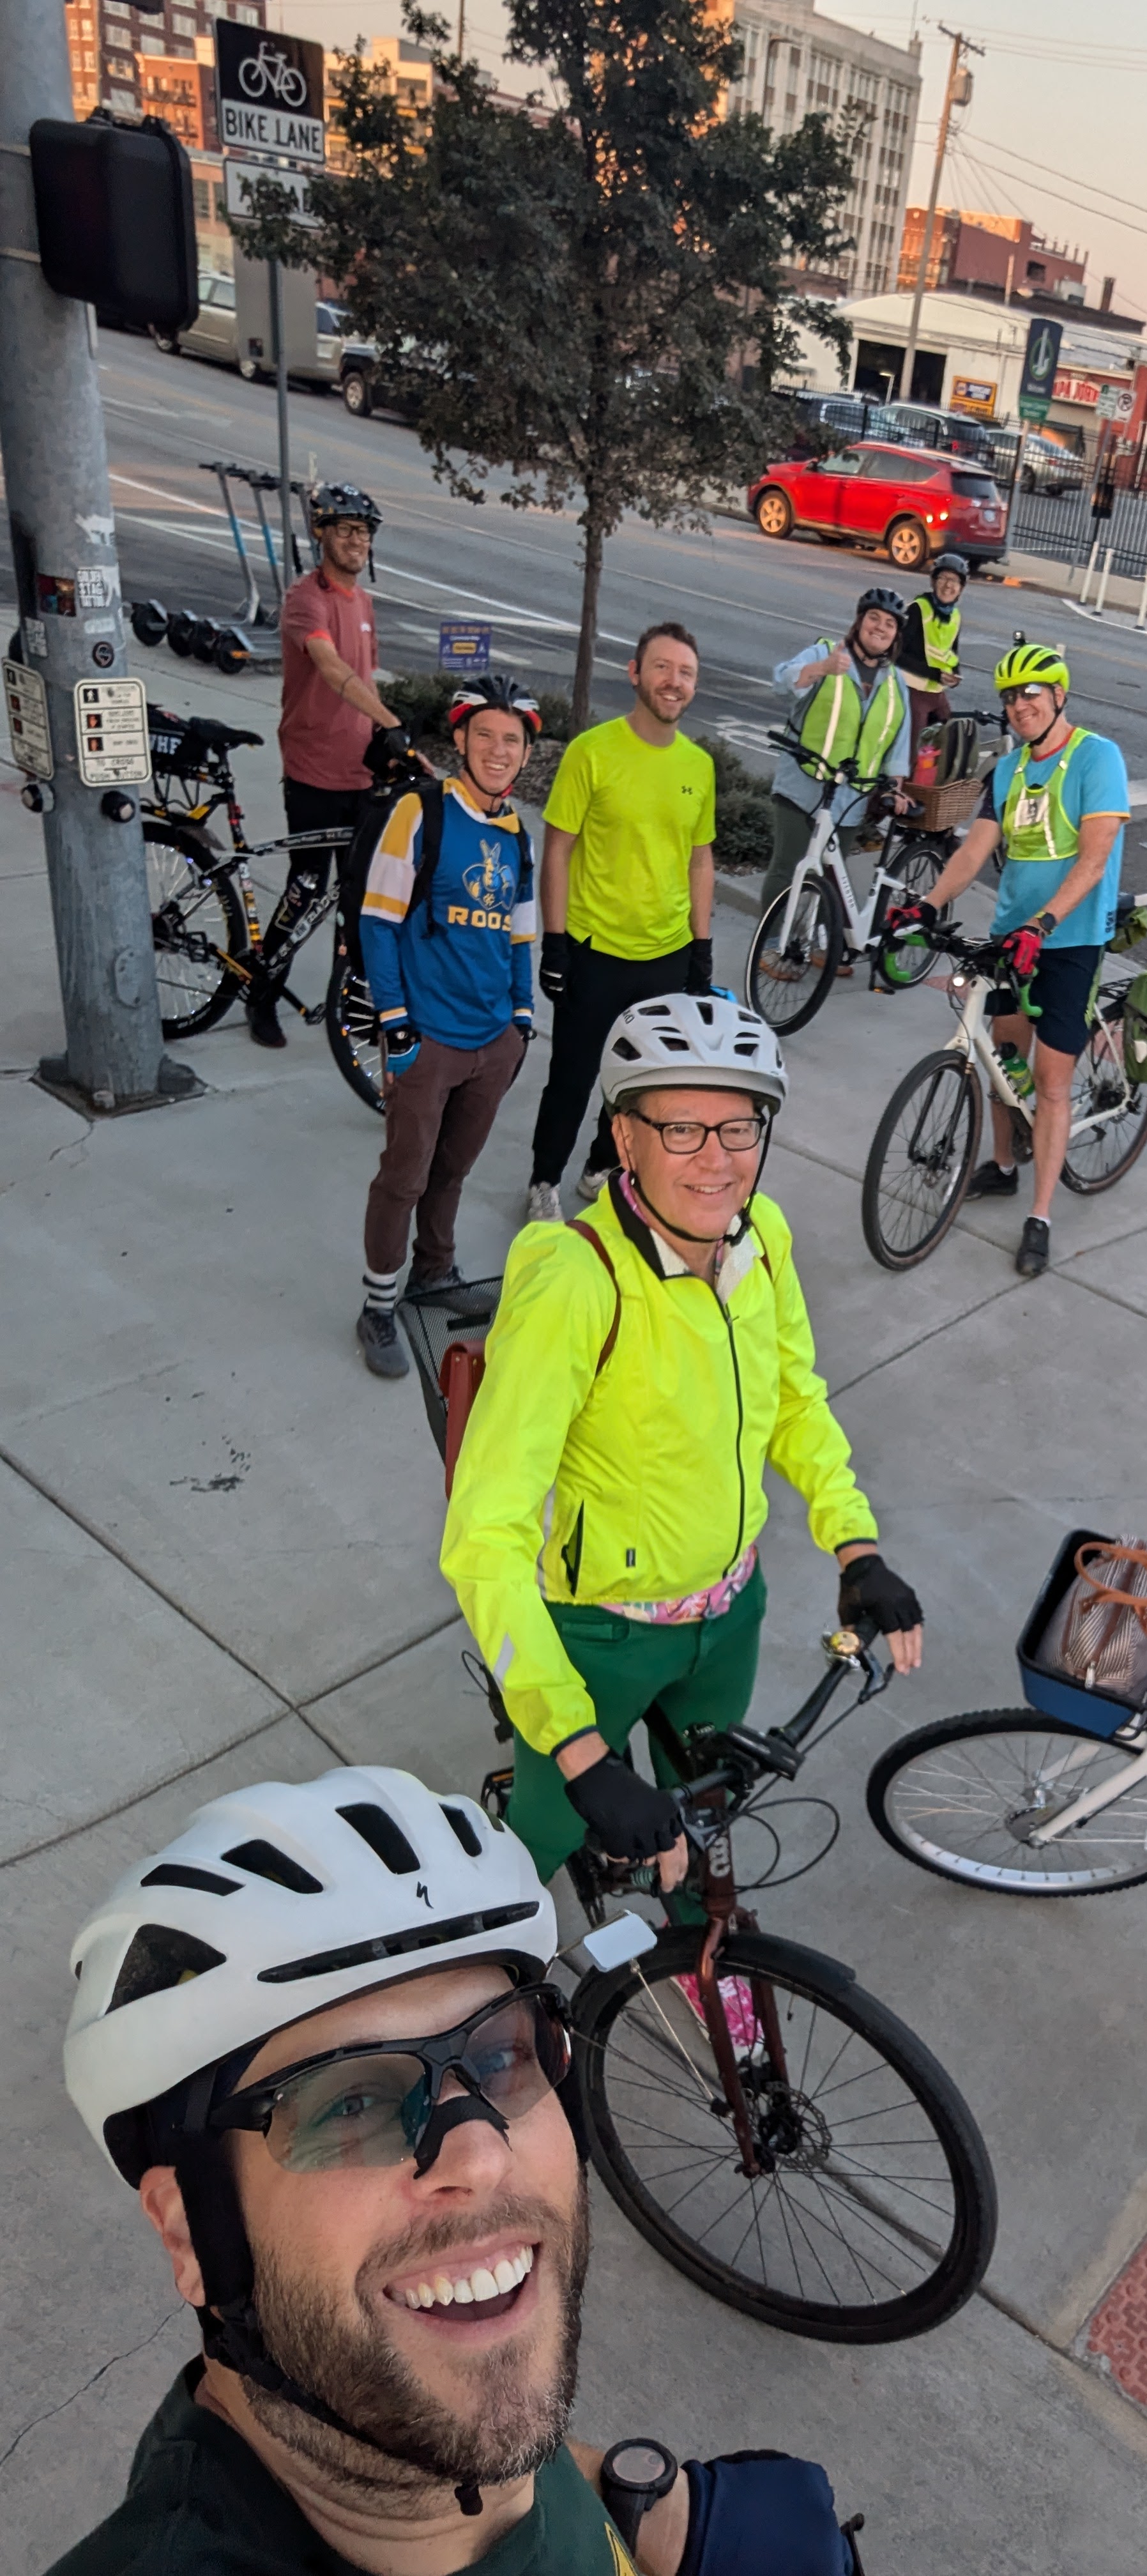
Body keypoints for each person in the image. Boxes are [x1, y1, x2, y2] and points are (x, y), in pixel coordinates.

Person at [56, 1764, 860, 2573]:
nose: (480, 2154)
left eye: (503, 2054)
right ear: (191, 2233)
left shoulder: (385, 2394)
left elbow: (483, 2416)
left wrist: (643, 2504)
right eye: (349, 2104)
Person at [443, 993, 923, 1905]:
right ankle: (491, 2007)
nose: (718, 1161)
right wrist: (580, 1754)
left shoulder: (764, 1239)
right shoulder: (576, 1283)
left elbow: (794, 1399)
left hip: (729, 1615)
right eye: (682, 1129)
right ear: (624, 1138)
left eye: (740, 1126)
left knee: (703, 1829)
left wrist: (855, 1544)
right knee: (534, 1852)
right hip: (597, 1635)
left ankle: (697, 1969)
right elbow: (484, 1535)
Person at [898, 638, 1130, 1281]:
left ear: (1059, 696)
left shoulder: (1096, 758)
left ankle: (1041, 1215)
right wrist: (927, 904)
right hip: (1011, 937)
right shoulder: (1007, 769)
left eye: (1031, 693)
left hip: (1070, 940)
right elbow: (974, 852)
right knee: (1002, 1056)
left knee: (1052, 1083)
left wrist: (1046, 922)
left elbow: (1095, 855)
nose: (1019, 705)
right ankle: (1004, 1167)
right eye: (1009, 696)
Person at [353, 675, 542, 1380]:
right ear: (460, 739)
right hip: (427, 1035)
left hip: (492, 1039)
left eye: (512, 741)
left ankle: (434, 1273)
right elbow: (377, 918)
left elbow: (521, 933)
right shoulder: (422, 812)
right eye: (486, 736)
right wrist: (396, 1023)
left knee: (453, 1169)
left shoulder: (516, 830)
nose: (499, 751)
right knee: (403, 1175)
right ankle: (377, 1305)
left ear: (526, 754)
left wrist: (521, 1020)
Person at [525, 623, 716, 1225]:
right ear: (635, 674)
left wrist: (701, 949)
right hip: (594, 948)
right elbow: (557, 849)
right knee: (574, 1077)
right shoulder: (593, 752)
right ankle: (543, 1179)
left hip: (665, 953)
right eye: (662, 668)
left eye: (685, 673)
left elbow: (700, 859)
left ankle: (601, 1167)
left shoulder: (699, 766)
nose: (673, 682)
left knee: (638, 1082)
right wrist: (553, 943)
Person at [259, 484, 406, 1049]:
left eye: (365, 532)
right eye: (345, 530)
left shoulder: (364, 603)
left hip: (360, 775)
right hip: (314, 768)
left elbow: (364, 680)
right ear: (321, 533)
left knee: (360, 897)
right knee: (305, 886)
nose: (357, 542)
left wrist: (390, 744)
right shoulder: (307, 599)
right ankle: (263, 994)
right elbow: (332, 669)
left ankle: (350, 1007)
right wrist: (391, 721)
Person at [759, 589, 914, 922]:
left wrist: (894, 787)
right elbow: (782, 681)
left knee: (831, 879)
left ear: (896, 635)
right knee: (788, 868)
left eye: (890, 624)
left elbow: (897, 745)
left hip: (849, 798)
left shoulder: (895, 682)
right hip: (803, 783)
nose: (880, 627)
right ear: (859, 622)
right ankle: (771, 943)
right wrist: (822, 668)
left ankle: (811, 942)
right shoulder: (827, 652)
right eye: (874, 617)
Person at [897, 549, 968, 740]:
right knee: (913, 749)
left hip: (936, 692)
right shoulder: (918, 609)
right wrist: (934, 674)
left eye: (954, 581)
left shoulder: (955, 617)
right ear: (933, 582)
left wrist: (956, 673)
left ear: (961, 588)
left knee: (950, 741)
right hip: (912, 691)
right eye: (943, 578)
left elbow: (951, 652)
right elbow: (896, 653)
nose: (948, 585)